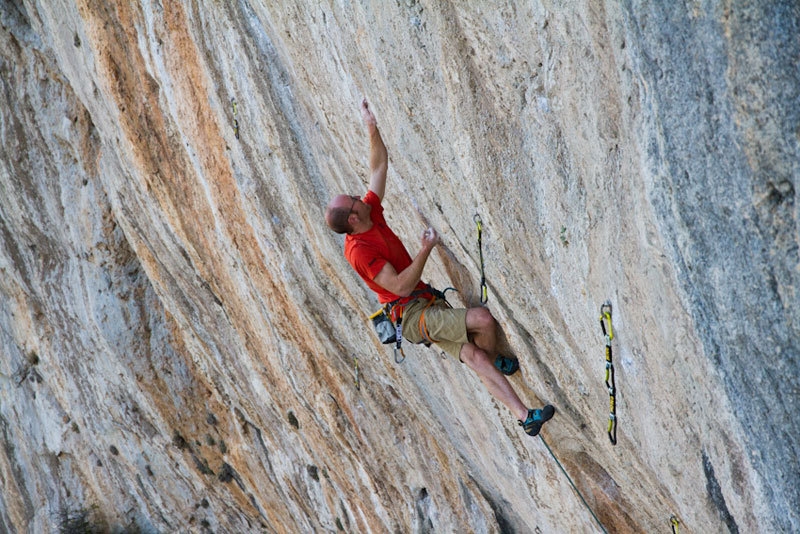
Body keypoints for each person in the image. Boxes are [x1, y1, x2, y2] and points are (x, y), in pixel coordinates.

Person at [325, 99, 554, 436]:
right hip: (411, 314)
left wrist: (370, 127)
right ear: (353, 218)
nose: (361, 197)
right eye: (355, 200)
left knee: (477, 358)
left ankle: (524, 415)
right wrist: (426, 249)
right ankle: (500, 373)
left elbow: (378, 168)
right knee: (482, 320)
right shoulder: (360, 251)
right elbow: (400, 286)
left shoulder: (368, 213)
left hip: (419, 304)